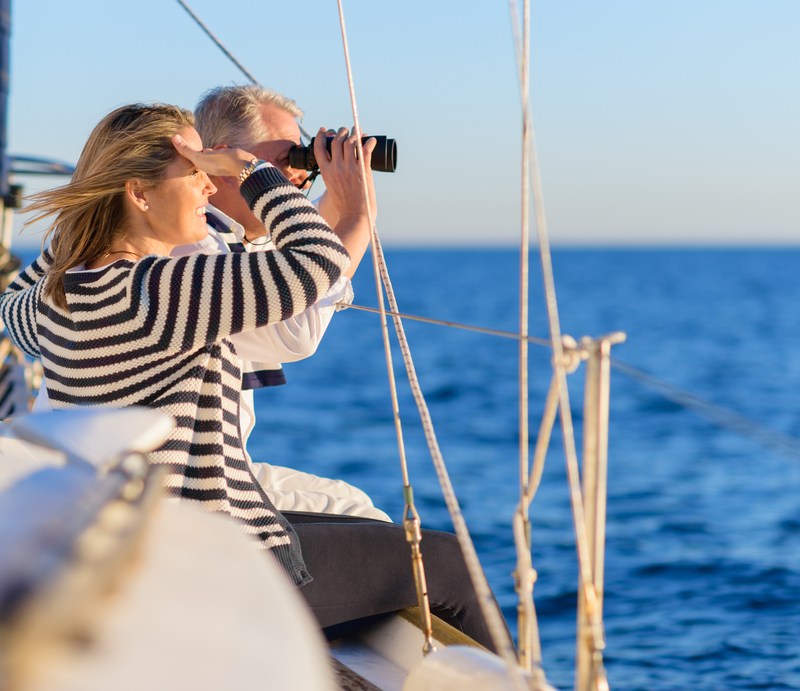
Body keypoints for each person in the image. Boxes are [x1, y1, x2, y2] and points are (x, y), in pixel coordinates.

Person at [0, 103, 501, 650]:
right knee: (447, 565)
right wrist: (252, 171)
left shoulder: (57, 298)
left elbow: (9, 304)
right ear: (139, 194)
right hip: (204, 569)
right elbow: (318, 263)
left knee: (380, 534)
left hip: (144, 548)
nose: (211, 188)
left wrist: (82, 224)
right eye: (196, 171)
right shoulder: (163, 290)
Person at [185, 84, 386, 519]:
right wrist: (358, 216)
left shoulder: (237, 240)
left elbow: (299, 250)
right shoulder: (195, 250)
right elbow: (297, 334)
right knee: (369, 525)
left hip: (215, 467)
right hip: (188, 484)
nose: (296, 175)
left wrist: (336, 190)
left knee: (360, 506)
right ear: (224, 162)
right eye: (280, 163)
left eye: (301, 160)